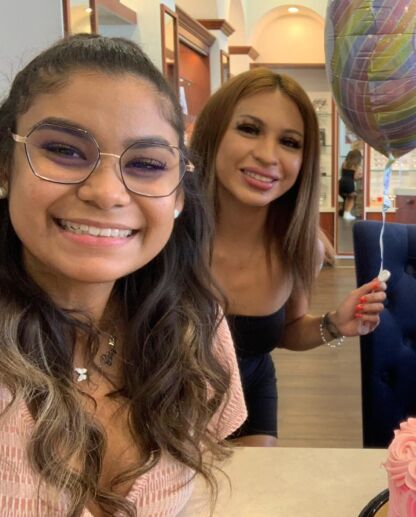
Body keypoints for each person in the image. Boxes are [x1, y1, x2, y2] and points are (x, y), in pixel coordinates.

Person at [0, 34, 246, 516]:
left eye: (147, 164)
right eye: (64, 150)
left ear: (178, 194)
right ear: (6, 167)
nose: (107, 192)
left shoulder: (194, 327)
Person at [190, 68, 386, 447]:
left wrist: (334, 323)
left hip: (249, 398)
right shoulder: (161, 234)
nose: (268, 155)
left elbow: (288, 330)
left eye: (290, 142)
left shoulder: (301, 247)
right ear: (213, 132)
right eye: (249, 129)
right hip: (159, 405)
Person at [338, 149, 363, 221]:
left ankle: (344, 212)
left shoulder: (344, 163)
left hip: (341, 183)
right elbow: (355, 177)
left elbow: (342, 173)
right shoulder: (357, 166)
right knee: (352, 198)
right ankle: (347, 213)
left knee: (346, 198)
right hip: (349, 183)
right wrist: (360, 176)